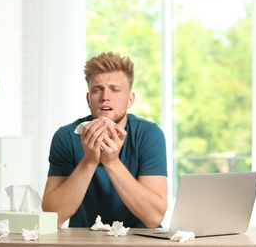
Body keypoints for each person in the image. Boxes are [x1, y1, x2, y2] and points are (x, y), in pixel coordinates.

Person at [42, 51, 168, 229]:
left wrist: (112, 162)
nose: (105, 97)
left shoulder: (149, 135)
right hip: (85, 241)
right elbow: (52, 217)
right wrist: (89, 161)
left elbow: (154, 217)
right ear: (88, 99)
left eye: (115, 89)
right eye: (97, 90)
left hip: (139, 241)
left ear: (130, 99)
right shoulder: (66, 137)